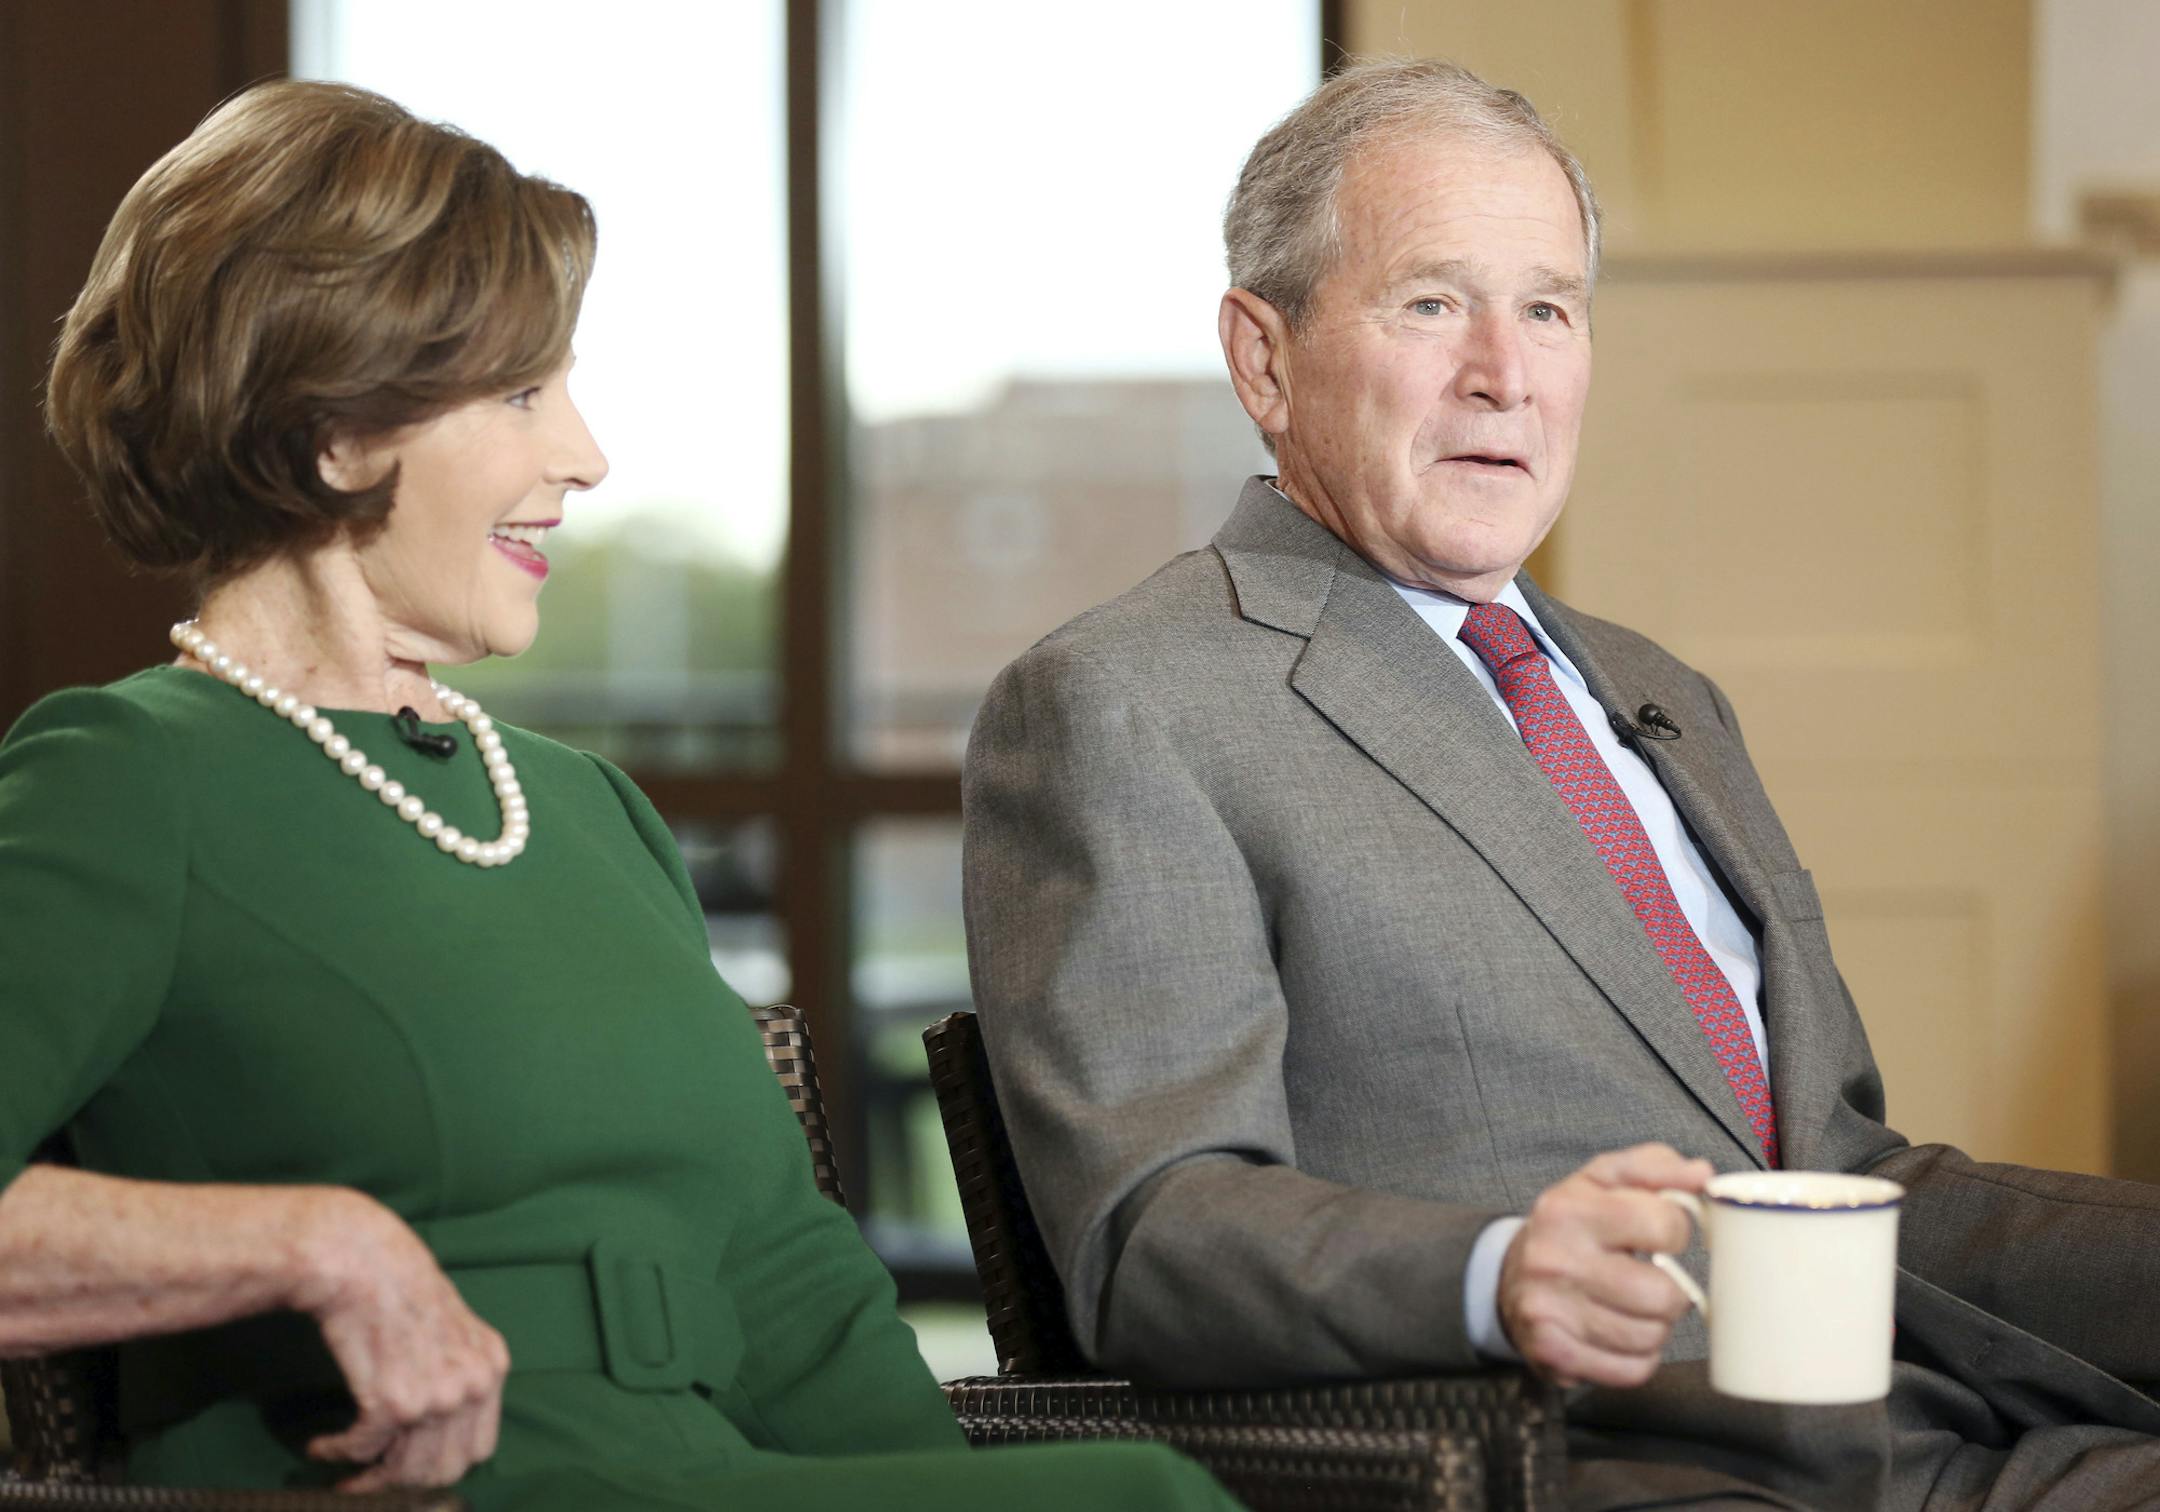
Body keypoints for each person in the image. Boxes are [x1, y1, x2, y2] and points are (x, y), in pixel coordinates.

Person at [0, 80, 1238, 1512]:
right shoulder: (127, 780)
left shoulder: (587, 811)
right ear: (334, 430)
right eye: (524, 393)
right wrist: (318, 1248)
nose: (585, 457)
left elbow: (791, 1284)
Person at [961, 57, 2160, 1511]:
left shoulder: (1664, 692)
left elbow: (1844, 1178)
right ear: (1263, 359)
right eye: (1430, 302)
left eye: (1548, 307)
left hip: (1938, 1432)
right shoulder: (1125, 700)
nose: (1505, 372)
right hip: (1583, 1462)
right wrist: (1498, 1271)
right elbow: (1150, 1237)